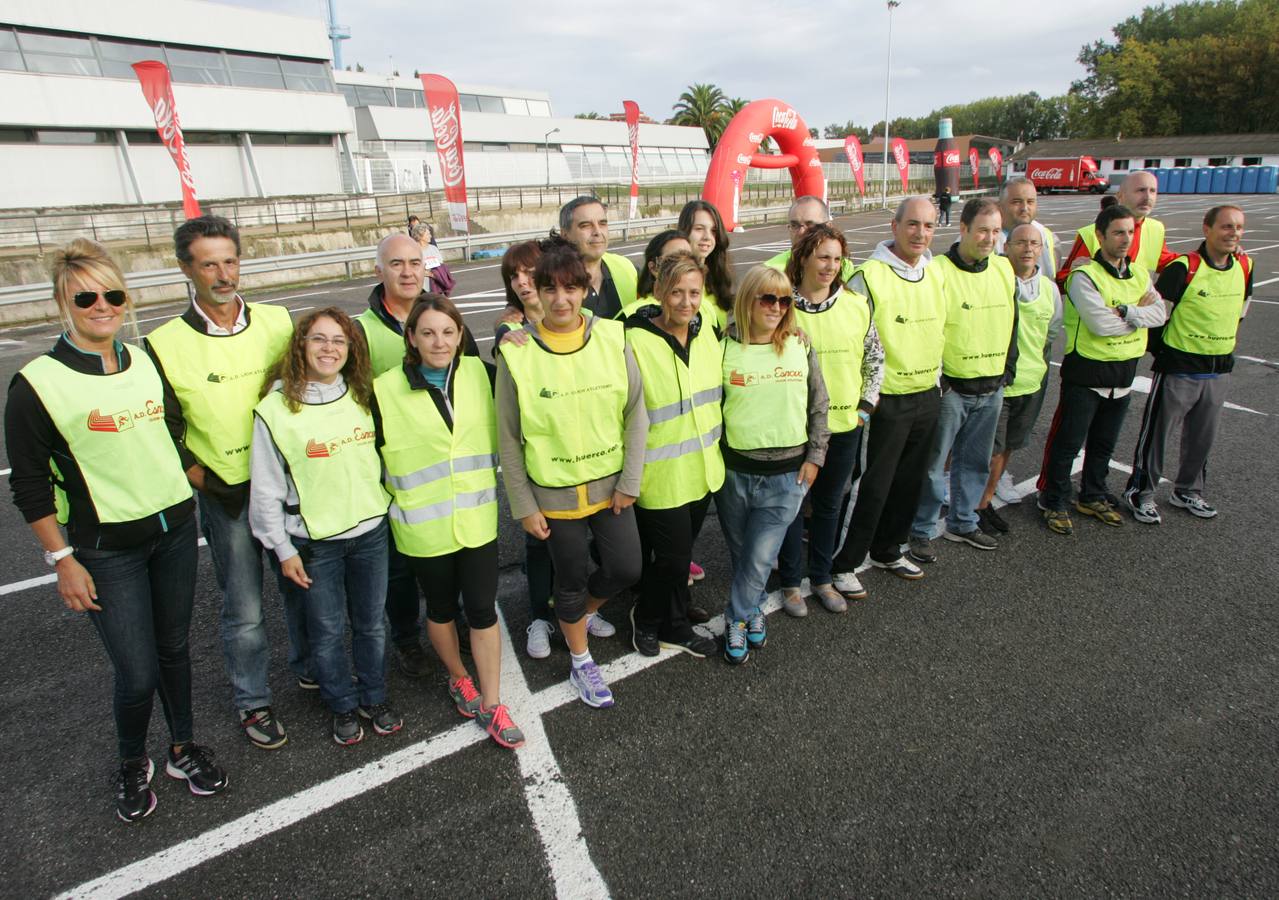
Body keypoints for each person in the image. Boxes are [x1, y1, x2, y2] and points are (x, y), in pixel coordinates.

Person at [7, 239, 227, 822]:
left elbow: (170, 441)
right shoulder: (37, 383)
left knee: (176, 650)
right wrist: (62, 560)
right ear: (63, 302)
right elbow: (28, 485)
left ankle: (182, 747)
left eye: (112, 294)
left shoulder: (145, 360)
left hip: (175, 530)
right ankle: (133, 760)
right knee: (136, 670)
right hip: (106, 550)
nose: (101, 305)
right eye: (85, 296)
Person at [145, 215, 300, 751]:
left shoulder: (278, 320)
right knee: (245, 605)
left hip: (288, 485)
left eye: (230, 260)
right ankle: (253, 701)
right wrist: (198, 476)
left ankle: (307, 668)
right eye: (208, 263)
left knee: (299, 586)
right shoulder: (162, 342)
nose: (223, 273)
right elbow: (160, 422)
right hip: (227, 492)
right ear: (186, 269)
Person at [496, 240, 646, 707]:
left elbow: (637, 412)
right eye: (550, 289)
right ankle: (581, 661)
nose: (561, 300)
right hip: (553, 494)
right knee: (571, 576)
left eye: (571, 288)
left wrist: (630, 482)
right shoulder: (516, 351)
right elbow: (508, 437)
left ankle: (576, 618)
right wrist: (522, 506)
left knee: (625, 566)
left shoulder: (612, 336)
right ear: (534, 293)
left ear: (586, 289)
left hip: (610, 485)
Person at [375, 295, 525, 748]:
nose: (439, 341)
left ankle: (493, 701)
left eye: (448, 331)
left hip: (477, 520)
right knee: (440, 610)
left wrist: (523, 340)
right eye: (428, 332)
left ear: (461, 335)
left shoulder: (482, 374)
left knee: (482, 610)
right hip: (423, 528)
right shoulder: (382, 390)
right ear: (411, 338)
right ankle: (460, 678)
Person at [250, 308, 400, 746]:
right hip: (315, 544)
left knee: (372, 624)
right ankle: (342, 704)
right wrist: (282, 549)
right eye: (319, 339)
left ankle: (374, 695)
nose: (329, 348)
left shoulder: (362, 395)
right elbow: (265, 491)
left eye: (339, 340)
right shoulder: (275, 409)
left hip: (370, 533)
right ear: (301, 345)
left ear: (351, 349)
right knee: (328, 629)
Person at [354, 232, 479, 678]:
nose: (407, 272)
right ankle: (407, 638)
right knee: (399, 568)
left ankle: (458, 620)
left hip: (447, 467)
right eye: (396, 264)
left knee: (453, 556)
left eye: (414, 263)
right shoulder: (361, 332)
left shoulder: (442, 315)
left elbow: (473, 375)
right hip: (395, 468)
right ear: (378, 271)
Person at [829, 197, 947, 600]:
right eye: (912, 224)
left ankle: (888, 549)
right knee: (870, 486)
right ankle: (843, 562)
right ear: (894, 226)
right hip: (885, 402)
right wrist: (865, 399)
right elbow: (853, 337)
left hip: (927, 394)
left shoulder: (935, 272)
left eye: (928, 226)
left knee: (910, 481)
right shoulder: (869, 276)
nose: (920, 233)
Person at [717, 265, 829, 665]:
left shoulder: (800, 344)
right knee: (743, 552)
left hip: (787, 475)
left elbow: (819, 404)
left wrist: (816, 456)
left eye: (785, 300)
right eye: (768, 298)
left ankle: (738, 617)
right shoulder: (722, 345)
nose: (777, 307)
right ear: (748, 299)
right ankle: (756, 604)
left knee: (762, 556)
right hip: (733, 473)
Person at [1036, 203, 1167, 535]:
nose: (1125, 239)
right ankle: (1054, 500)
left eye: (1130, 233)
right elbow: (1100, 325)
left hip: (1122, 374)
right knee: (1069, 443)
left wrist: (1126, 312)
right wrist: (1137, 313)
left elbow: (1160, 315)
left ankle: (1092, 494)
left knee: (1104, 444)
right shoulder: (1084, 275)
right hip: (1087, 374)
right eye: (1117, 232)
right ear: (1100, 236)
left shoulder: (1139, 273)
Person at [777, 224, 882, 616]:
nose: (830, 266)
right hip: (794, 431)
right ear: (803, 256)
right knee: (790, 507)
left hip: (843, 428)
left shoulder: (855, 304)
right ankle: (789, 582)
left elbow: (875, 359)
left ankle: (820, 576)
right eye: (823, 257)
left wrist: (863, 409)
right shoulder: (780, 304)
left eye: (837, 259)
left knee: (828, 506)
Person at [1124, 205, 1251, 524]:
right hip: (1179, 369)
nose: (1233, 233)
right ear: (1207, 229)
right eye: (1226, 227)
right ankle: (1141, 493)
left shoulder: (1246, 265)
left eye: (1238, 227)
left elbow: (1241, 309)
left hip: (1218, 370)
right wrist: (1163, 355)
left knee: (1202, 438)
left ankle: (1188, 491)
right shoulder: (1184, 268)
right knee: (1157, 437)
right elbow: (1155, 315)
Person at [908, 198, 1018, 560]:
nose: (989, 238)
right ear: (964, 229)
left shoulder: (1003, 269)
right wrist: (942, 381)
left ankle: (963, 522)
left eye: (996, 231)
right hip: (952, 388)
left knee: (975, 462)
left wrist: (1007, 372)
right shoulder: (936, 270)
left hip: (992, 388)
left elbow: (1012, 323)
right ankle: (921, 529)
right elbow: (925, 328)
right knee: (933, 466)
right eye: (982, 230)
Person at [623, 254, 721, 658]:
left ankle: (672, 607)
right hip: (659, 477)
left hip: (703, 469)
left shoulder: (707, 331)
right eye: (676, 292)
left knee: (677, 559)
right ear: (659, 291)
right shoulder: (631, 339)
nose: (686, 302)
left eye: (694, 292)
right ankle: (656, 623)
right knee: (672, 559)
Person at [493, 240, 560, 658]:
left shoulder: (574, 317)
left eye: (528, 272)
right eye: (513, 276)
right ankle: (539, 616)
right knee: (539, 539)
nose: (521, 282)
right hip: (536, 450)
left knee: (574, 536)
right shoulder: (509, 332)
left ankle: (574, 609)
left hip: (577, 448)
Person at [974, 223, 1062, 534]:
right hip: (998, 383)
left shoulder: (1049, 289)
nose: (1027, 248)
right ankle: (975, 505)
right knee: (988, 449)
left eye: (1034, 244)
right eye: (1020, 242)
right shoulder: (995, 282)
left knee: (1009, 446)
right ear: (1007, 247)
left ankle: (984, 501)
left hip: (1031, 382)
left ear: (1041, 249)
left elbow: (1051, 332)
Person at [1056, 170, 1175, 285]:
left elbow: (1164, 261)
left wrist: (1191, 260)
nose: (1147, 197)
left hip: (1142, 303)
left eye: (1153, 191)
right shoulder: (1091, 234)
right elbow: (1063, 280)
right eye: (1140, 190)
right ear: (1120, 196)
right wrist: (1074, 273)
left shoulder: (1156, 228)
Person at [558, 195, 638, 319]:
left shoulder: (626, 266)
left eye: (602, 224)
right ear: (565, 235)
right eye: (585, 225)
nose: (597, 232)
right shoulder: (551, 279)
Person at [765, 196, 856, 281]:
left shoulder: (844, 267)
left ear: (828, 227)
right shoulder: (769, 272)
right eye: (794, 225)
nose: (801, 232)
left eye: (810, 225)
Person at [677, 199, 734, 331]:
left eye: (713, 231)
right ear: (684, 231)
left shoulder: (716, 278)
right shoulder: (672, 281)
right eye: (699, 229)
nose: (707, 237)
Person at [617, 229, 692, 321]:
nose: (684, 266)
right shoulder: (632, 316)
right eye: (674, 259)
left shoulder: (704, 307)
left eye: (690, 258)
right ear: (653, 268)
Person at [994, 177, 1057, 286]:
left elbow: (1052, 278)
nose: (1025, 208)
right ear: (1000, 206)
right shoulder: (982, 237)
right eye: (1017, 202)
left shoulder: (1047, 236)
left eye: (1030, 202)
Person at [413, 223, 455, 297]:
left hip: (436, 286)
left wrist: (432, 274)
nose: (431, 236)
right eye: (428, 234)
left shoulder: (434, 248)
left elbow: (441, 267)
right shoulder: (414, 251)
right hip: (421, 288)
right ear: (420, 236)